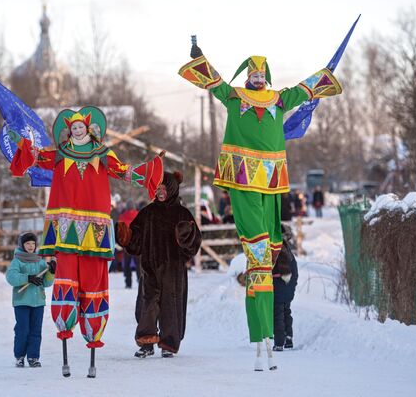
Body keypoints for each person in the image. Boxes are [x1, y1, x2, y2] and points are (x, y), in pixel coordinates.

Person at [179, 40, 342, 370]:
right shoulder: (235, 96)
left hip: (270, 179)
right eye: (251, 73)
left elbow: (303, 90)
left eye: (259, 73)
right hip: (242, 178)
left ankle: (267, 330)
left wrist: (324, 78)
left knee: (267, 253)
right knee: (256, 251)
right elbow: (216, 84)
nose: (256, 77)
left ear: (266, 76)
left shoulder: (279, 99)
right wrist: (201, 58)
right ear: (248, 76)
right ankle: (261, 330)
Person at [8, 106, 163, 377]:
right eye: (73, 127)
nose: (77, 130)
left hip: (95, 231)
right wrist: (22, 142)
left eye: (81, 127)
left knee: (93, 283)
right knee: (66, 281)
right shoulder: (59, 154)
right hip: (65, 227)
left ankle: (93, 334)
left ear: (90, 129)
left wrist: (146, 171)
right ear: (68, 131)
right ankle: (65, 328)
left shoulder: (102, 154)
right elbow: (35, 157)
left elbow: (123, 171)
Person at [117, 172, 202, 358]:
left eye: (164, 188)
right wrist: (127, 237)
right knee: (148, 305)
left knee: (171, 306)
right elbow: (136, 240)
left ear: (172, 189)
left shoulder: (182, 213)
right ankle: (146, 341)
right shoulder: (148, 212)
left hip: (173, 270)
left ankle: (168, 344)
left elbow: (194, 242)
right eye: (158, 188)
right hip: (150, 268)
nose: (160, 192)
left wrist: (185, 236)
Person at [6, 232, 55, 368]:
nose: (31, 246)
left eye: (33, 243)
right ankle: (20, 356)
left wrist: (51, 272)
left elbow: (46, 283)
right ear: (22, 245)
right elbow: (11, 277)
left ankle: (33, 357)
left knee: (35, 330)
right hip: (22, 301)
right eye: (27, 243)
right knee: (23, 329)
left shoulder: (39, 261)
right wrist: (27, 278)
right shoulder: (17, 261)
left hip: (38, 301)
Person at [272, 227, 298, 351]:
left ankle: (279, 342)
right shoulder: (289, 251)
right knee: (286, 312)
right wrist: (292, 287)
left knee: (277, 315)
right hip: (288, 288)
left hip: (278, 287)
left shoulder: (276, 252)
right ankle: (288, 338)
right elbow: (295, 271)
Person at [118, 200, 139, 289]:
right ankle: (140, 279)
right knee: (139, 264)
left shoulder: (122, 216)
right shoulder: (139, 214)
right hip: (137, 243)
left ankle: (128, 282)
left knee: (127, 263)